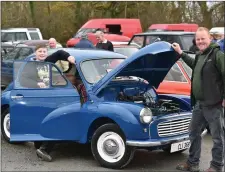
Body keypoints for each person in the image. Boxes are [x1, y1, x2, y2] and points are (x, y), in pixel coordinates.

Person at [172, 27, 224, 172]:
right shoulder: (201, 55)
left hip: (214, 104)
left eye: (203, 39)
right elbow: (194, 65)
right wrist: (181, 53)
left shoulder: (217, 55)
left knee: (217, 137)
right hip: (199, 104)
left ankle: (216, 166)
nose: (200, 41)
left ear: (210, 39)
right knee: (194, 133)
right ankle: (193, 163)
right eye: (198, 39)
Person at [21, 44, 75, 161]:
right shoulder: (30, 65)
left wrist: (69, 57)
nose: (42, 53)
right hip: (35, 96)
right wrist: (36, 84)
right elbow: (23, 80)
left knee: (49, 119)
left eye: (44, 51)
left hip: (49, 95)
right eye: (40, 51)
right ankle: (44, 148)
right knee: (46, 120)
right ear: (36, 53)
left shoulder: (49, 60)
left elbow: (60, 52)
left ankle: (40, 145)